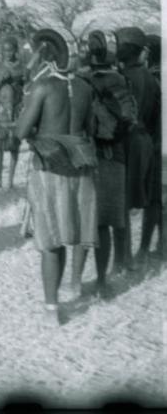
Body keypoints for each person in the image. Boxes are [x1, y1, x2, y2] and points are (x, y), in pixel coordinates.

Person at [15, 29, 98, 325]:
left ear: (43, 55)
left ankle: (52, 309)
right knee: (73, 233)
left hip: (50, 170)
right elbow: (88, 128)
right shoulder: (86, 88)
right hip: (81, 168)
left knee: (51, 242)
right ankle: (74, 284)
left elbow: (21, 132)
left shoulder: (43, 87)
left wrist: (39, 129)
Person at [70, 30, 131, 298]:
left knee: (84, 222)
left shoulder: (79, 81)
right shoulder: (120, 79)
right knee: (104, 223)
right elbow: (130, 119)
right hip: (114, 156)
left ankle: (74, 281)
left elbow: (73, 125)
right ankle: (102, 282)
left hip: (87, 158)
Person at [115, 27, 161, 272]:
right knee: (147, 198)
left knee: (121, 201)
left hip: (126, 141)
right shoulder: (150, 79)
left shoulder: (123, 78)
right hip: (145, 140)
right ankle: (143, 251)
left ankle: (124, 259)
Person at [136, 33, 163, 262]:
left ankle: (145, 247)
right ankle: (162, 244)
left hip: (155, 144)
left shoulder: (149, 79)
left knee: (154, 199)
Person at [0, 36, 26, 189]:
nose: (8, 53)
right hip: (1, 110)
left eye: (11, 50)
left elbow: (26, 87)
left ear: (16, 51)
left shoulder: (21, 67)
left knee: (14, 146)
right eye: (5, 50)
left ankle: (10, 179)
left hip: (16, 109)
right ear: (1, 51)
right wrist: (1, 81)